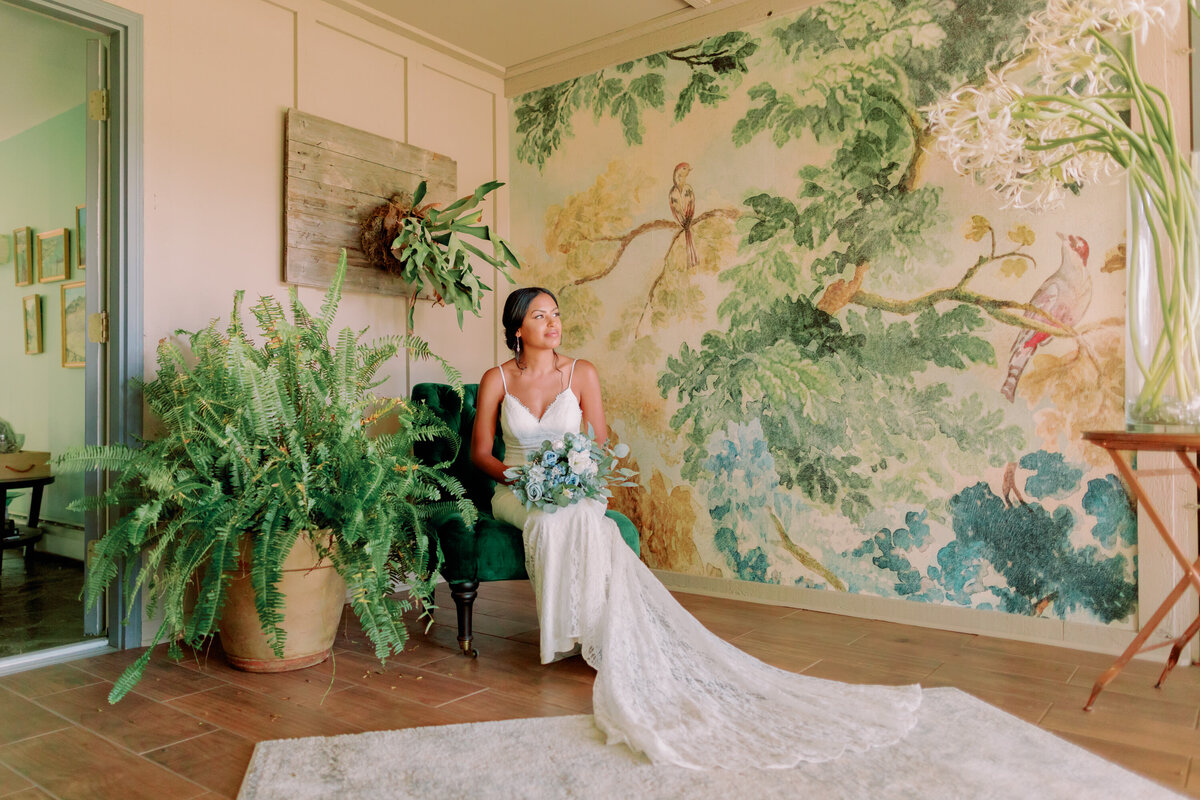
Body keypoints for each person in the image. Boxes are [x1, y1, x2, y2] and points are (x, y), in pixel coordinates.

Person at [471, 287, 922, 770]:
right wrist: (525, 479)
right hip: (516, 491)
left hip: (574, 482)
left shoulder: (582, 372)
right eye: (540, 316)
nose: (553, 323)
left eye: (556, 314)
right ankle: (561, 631)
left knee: (584, 516)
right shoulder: (495, 379)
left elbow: (598, 440)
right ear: (518, 328)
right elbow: (481, 452)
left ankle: (594, 631)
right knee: (545, 519)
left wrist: (575, 476)